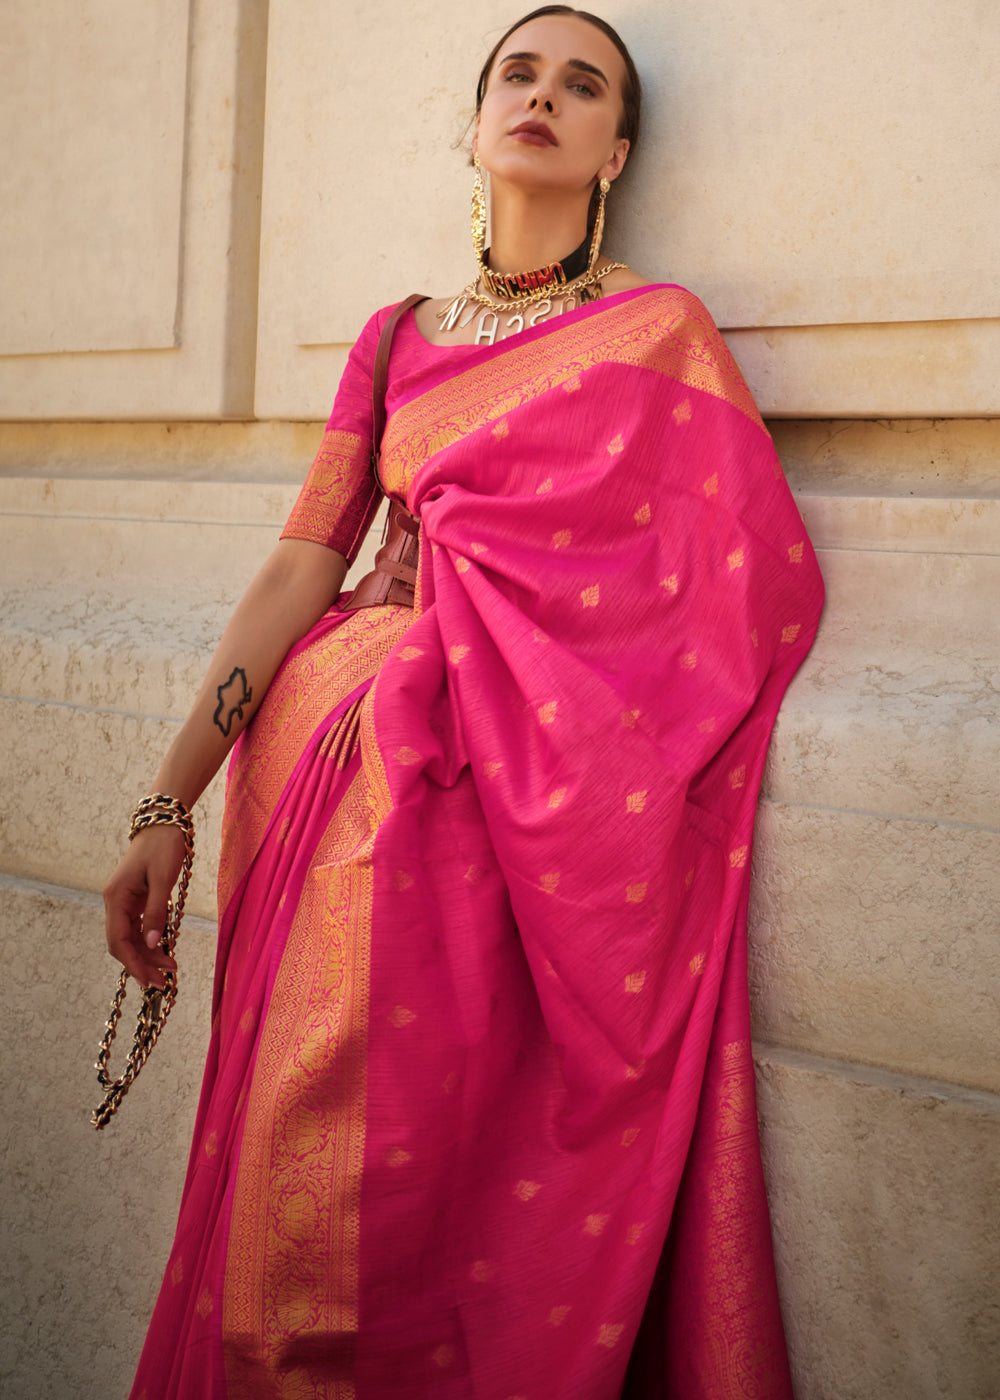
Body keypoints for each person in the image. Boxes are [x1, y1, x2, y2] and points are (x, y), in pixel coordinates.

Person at [103, 8, 824, 1397]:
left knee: (432, 1194)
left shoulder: (655, 339)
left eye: (584, 85)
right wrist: (166, 800)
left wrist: (480, 633)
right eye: (519, 73)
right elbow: (299, 568)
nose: (543, 96)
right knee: (291, 1204)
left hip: (514, 834)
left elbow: (745, 593)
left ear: (616, 149)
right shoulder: (392, 343)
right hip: (324, 826)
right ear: (473, 120)